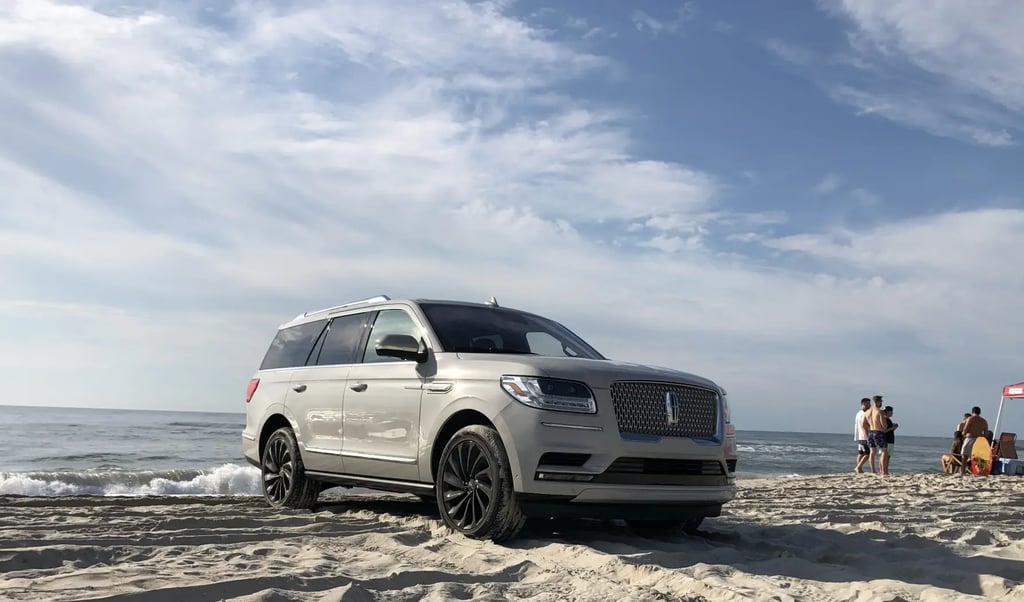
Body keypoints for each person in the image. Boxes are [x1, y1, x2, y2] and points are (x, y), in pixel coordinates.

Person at [861, 395, 889, 475]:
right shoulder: (879, 411)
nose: (881, 403)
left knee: (872, 452)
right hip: (879, 432)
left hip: (871, 432)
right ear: (878, 401)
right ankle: (884, 471)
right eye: (881, 402)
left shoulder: (867, 412)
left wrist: (870, 428)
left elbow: (863, 424)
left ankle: (873, 470)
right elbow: (884, 425)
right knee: (884, 451)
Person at [959, 406, 989, 472]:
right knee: (977, 458)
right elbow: (986, 434)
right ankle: (978, 471)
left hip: (970, 438)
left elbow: (965, 430)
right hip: (979, 440)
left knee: (964, 456)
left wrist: (963, 433)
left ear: (972, 412)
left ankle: (963, 471)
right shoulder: (984, 421)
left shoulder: (970, 419)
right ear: (980, 412)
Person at [854, 398, 871, 473]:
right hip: (864, 436)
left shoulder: (858, 413)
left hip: (859, 436)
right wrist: (868, 435)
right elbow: (864, 425)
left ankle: (859, 468)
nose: (869, 405)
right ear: (863, 404)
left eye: (869, 404)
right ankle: (858, 467)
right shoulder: (863, 414)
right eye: (867, 404)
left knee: (861, 452)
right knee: (868, 453)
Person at [883, 405, 898, 473]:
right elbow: (884, 430)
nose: (892, 413)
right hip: (887, 440)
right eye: (891, 411)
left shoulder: (888, 420)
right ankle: (884, 470)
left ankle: (885, 469)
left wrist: (894, 428)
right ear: (888, 412)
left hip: (890, 439)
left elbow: (889, 431)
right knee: (885, 456)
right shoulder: (885, 419)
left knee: (888, 456)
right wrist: (892, 428)